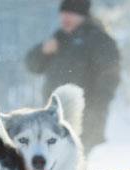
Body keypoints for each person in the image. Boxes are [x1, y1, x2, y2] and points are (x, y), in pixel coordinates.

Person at [25, 0, 120, 151]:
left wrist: (95, 110)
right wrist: (43, 51)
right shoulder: (58, 38)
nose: (65, 17)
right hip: (55, 117)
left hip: (85, 118)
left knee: (80, 163)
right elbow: (32, 65)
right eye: (63, 13)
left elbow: (110, 78)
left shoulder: (99, 39)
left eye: (71, 13)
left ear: (82, 15)